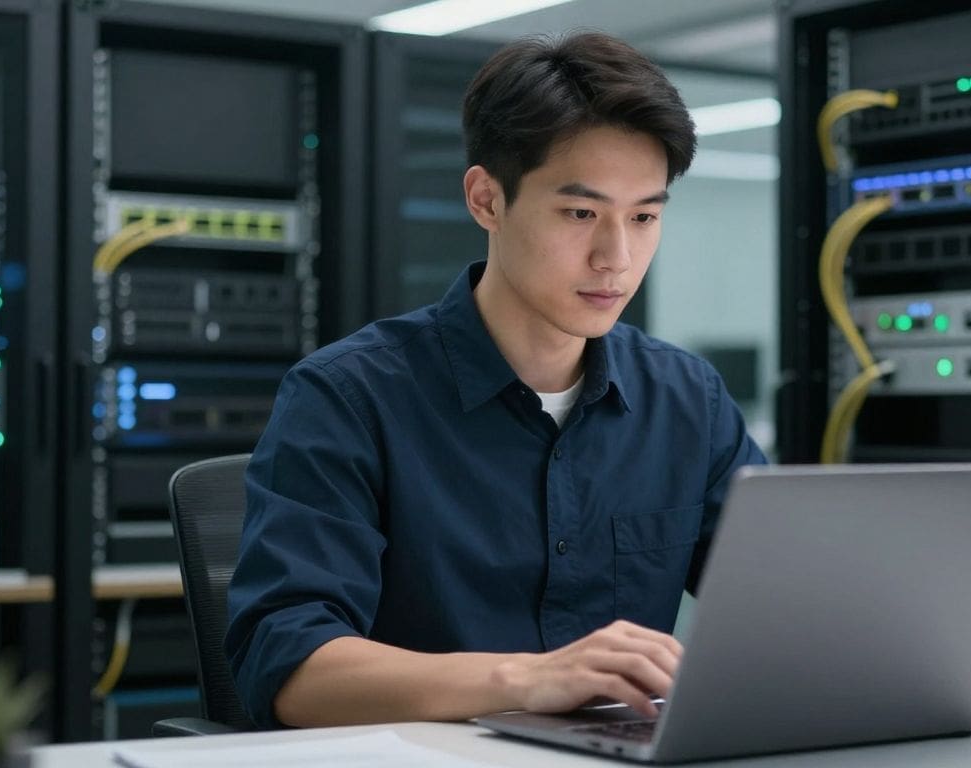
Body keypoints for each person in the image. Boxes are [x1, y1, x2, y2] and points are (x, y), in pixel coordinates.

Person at [225, 30, 767, 729]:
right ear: (486, 200)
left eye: (644, 216)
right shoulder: (348, 396)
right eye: (581, 213)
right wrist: (525, 680)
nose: (617, 257)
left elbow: (783, 613)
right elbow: (290, 670)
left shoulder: (688, 401)